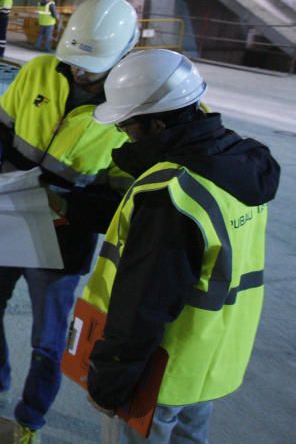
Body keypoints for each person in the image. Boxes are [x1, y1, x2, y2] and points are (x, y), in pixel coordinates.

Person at [0, 0, 141, 444]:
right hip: (4, 215)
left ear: (123, 55)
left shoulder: (128, 114)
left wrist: (66, 206)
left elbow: (118, 204)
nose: (77, 71)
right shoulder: (39, 71)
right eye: (71, 61)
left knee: (48, 343)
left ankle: (30, 421)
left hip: (61, 244)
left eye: (90, 66)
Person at [81, 49, 278, 444]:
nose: (124, 134)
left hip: (160, 365)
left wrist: (110, 377)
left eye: (128, 126)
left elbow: (144, 299)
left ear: (155, 124)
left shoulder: (171, 192)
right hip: (211, 353)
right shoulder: (239, 161)